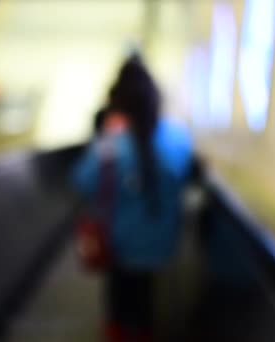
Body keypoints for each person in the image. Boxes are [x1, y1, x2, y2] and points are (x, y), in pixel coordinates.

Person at [72, 54, 193, 341]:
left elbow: (82, 181)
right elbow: (185, 177)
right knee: (148, 307)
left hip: (120, 245)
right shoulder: (177, 137)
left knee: (119, 304)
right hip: (163, 246)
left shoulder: (111, 143)